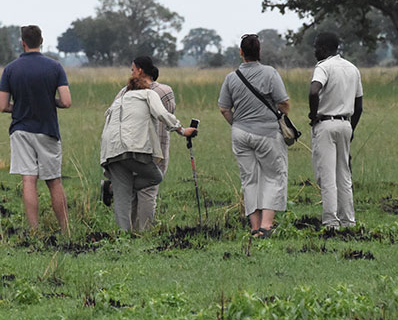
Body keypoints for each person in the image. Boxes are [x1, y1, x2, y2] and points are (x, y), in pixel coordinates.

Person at [0, 25, 71, 235]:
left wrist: (19, 106)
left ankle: (34, 230)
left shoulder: (10, 69)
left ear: (22, 42)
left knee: (28, 179)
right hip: (47, 129)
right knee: (54, 180)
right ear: (41, 41)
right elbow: (66, 102)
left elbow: (3, 106)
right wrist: (50, 101)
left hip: (21, 129)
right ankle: (65, 230)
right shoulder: (55, 67)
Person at [100, 75, 196, 232]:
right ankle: (117, 189)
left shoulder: (119, 100)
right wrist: (182, 130)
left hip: (110, 149)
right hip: (134, 147)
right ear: (145, 87)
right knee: (155, 177)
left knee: (122, 196)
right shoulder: (149, 94)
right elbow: (161, 114)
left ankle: (123, 236)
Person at [218, 34, 291, 238]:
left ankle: (254, 227)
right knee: (274, 176)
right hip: (267, 133)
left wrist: (238, 124)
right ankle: (266, 226)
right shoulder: (270, 73)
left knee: (249, 179)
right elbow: (283, 103)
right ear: (259, 52)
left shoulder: (231, 78)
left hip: (240, 134)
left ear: (241, 53)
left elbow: (224, 108)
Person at [100, 56, 175, 230]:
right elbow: (167, 114)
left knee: (125, 194)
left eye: (132, 68)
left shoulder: (123, 93)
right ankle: (145, 232)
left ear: (140, 70)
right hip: (151, 146)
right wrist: (180, 129)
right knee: (149, 189)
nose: (131, 71)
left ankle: (127, 233)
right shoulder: (163, 91)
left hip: (117, 147)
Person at [308, 32, 363, 229]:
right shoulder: (352, 68)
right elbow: (359, 105)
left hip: (326, 124)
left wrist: (313, 115)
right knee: (344, 175)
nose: (314, 50)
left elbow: (314, 91)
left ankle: (331, 222)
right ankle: (348, 220)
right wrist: (351, 129)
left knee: (327, 176)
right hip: (346, 124)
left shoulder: (323, 67)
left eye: (316, 46)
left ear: (323, 48)